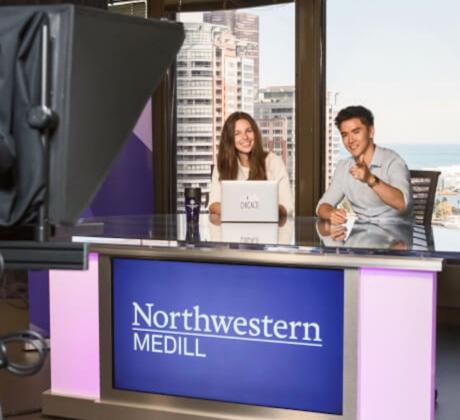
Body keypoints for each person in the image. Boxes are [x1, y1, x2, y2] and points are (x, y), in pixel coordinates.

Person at [317, 105, 412, 223]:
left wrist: (370, 179)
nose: (350, 140)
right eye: (345, 135)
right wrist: (331, 213)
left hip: (397, 234)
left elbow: (402, 203)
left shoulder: (393, 161)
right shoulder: (343, 167)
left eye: (356, 132)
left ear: (371, 132)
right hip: (361, 235)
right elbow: (322, 206)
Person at [208, 111, 293, 216]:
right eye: (237, 133)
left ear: (255, 133)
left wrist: (243, 209)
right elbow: (213, 205)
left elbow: (287, 206)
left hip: (267, 229)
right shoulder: (222, 165)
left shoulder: (274, 162)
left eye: (248, 131)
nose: (245, 137)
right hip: (233, 230)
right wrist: (253, 210)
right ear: (229, 139)